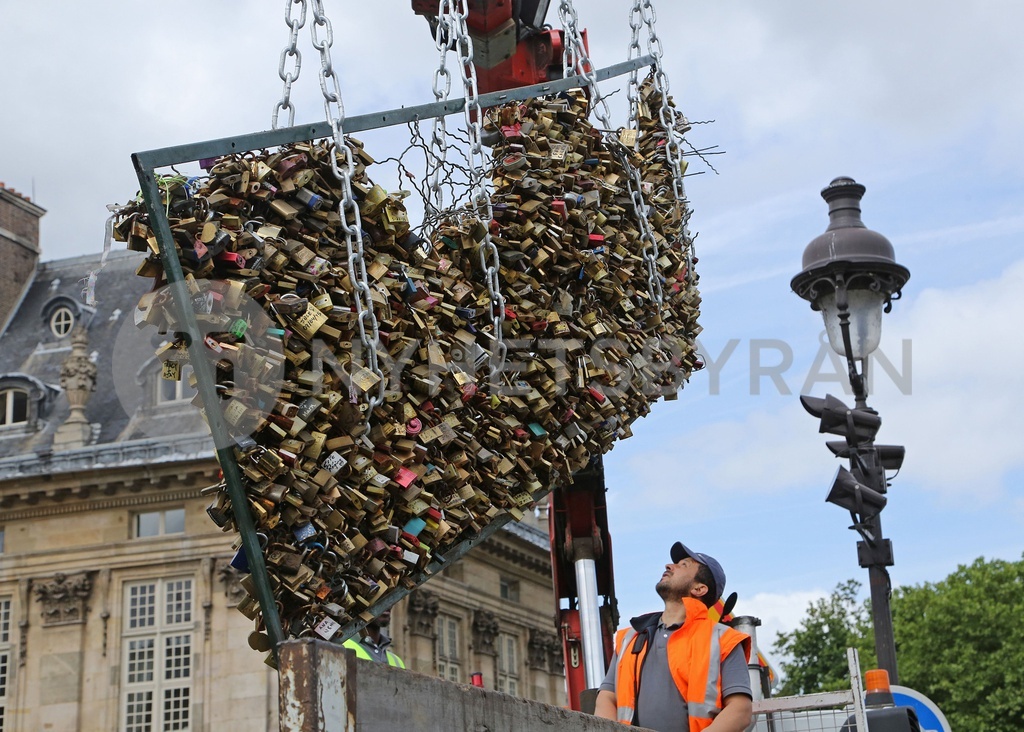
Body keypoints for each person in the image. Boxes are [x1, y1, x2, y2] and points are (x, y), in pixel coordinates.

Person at [594, 542, 752, 731]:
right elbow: (607, 697)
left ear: (700, 589)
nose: (669, 566)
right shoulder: (631, 637)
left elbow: (740, 710)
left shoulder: (723, 639)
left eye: (684, 565)